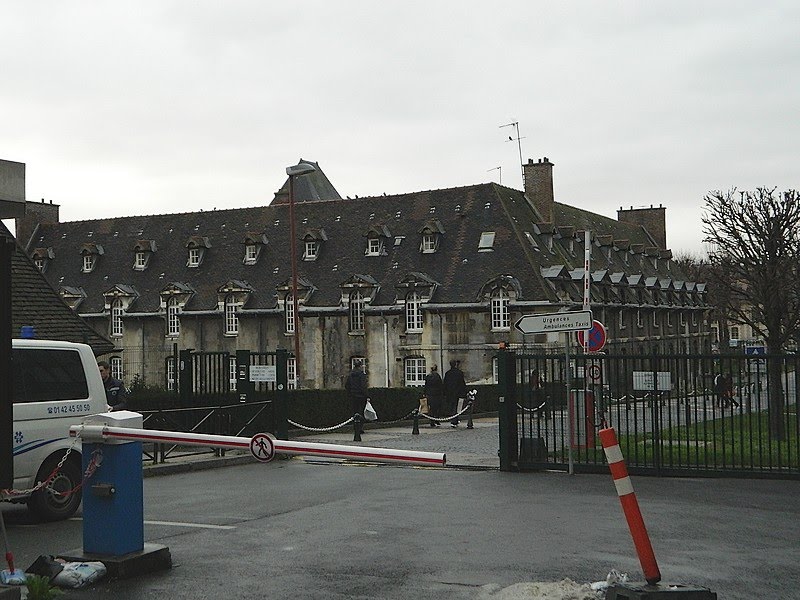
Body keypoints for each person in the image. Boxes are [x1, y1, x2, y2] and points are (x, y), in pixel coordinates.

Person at [345, 359, 369, 432]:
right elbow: (363, 386)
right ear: (360, 366)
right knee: (361, 412)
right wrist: (367, 395)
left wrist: (350, 393)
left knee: (355, 412)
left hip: (353, 395)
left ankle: (355, 428)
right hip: (361, 396)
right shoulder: (361, 374)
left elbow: (347, 385)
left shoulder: (350, 374)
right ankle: (360, 428)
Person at [443, 359, 467, 427]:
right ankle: (454, 421)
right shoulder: (459, 373)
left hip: (450, 393)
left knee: (452, 407)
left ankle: (454, 420)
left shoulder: (448, 373)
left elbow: (445, 384)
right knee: (456, 407)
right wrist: (464, 393)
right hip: (457, 393)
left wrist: (445, 393)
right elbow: (462, 384)